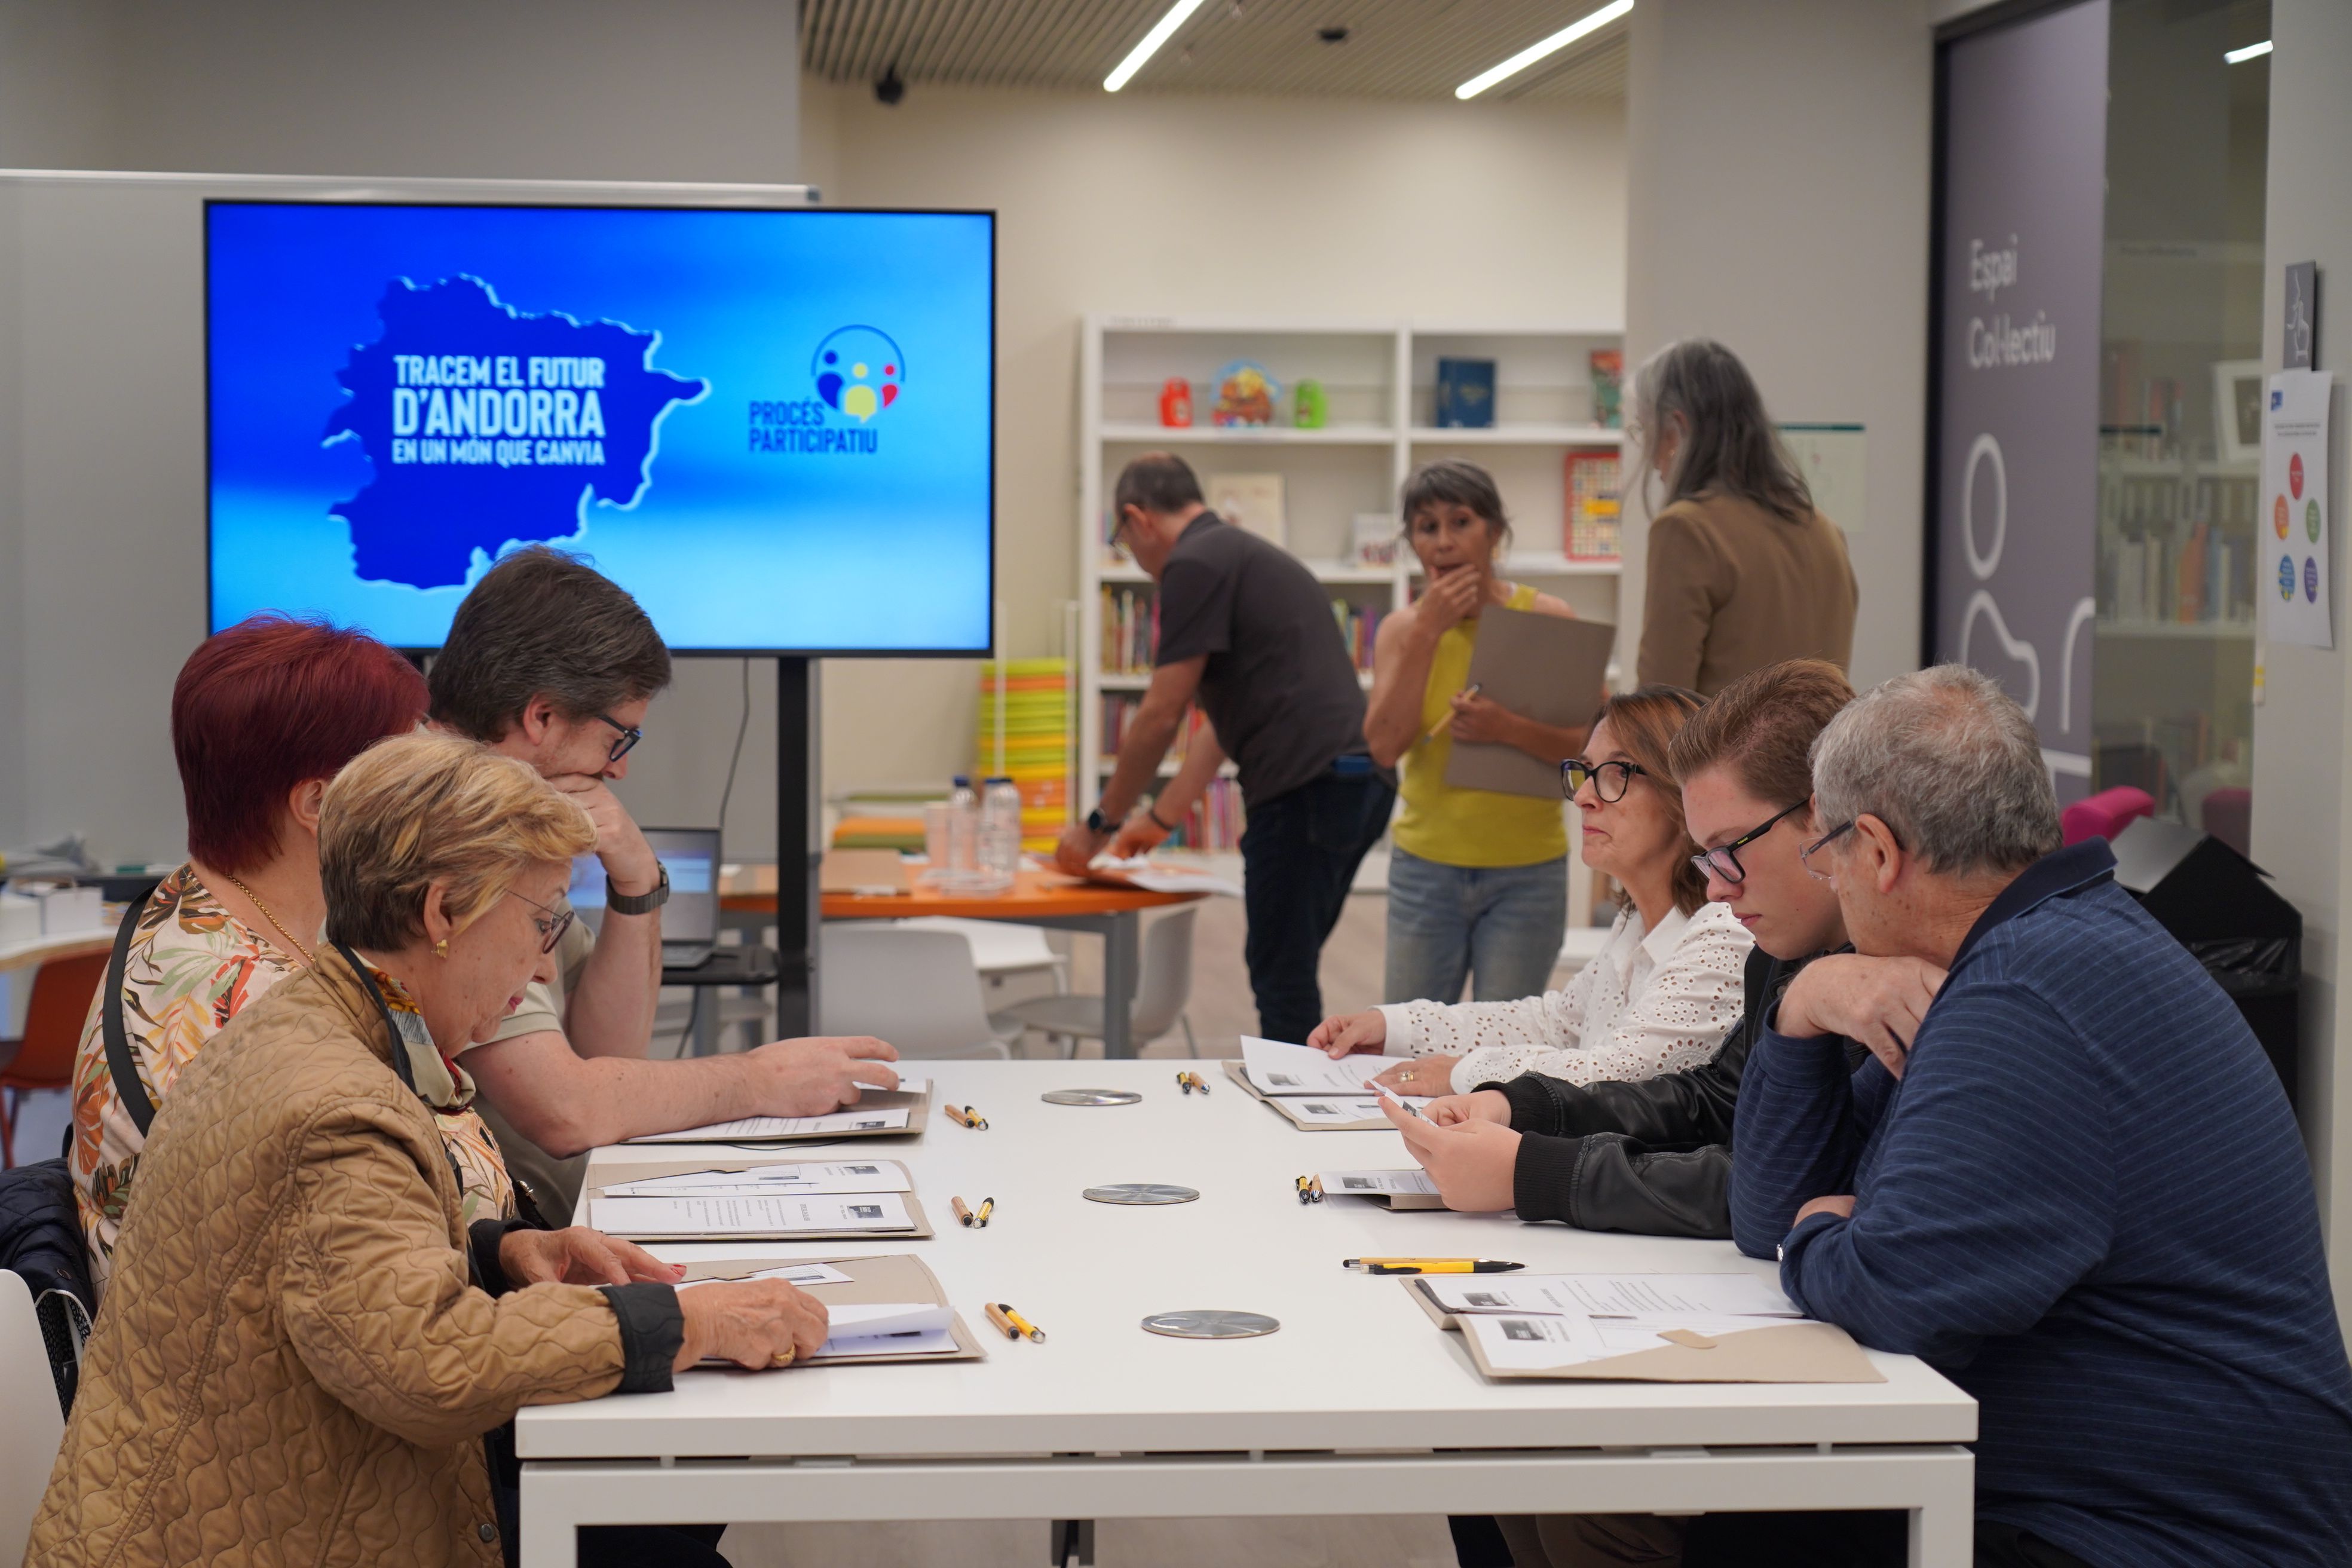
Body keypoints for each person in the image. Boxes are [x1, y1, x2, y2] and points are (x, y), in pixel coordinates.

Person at [30, 732, 829, 1568]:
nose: (546, 967)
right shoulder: (336, 1106)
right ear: (443, 912)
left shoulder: (311, 1020)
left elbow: (326, 1268)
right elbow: (429, 1367)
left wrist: (500, 1252)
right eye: (545, 921)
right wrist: (684, 1320)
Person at [1725, 666, 2352, 1568]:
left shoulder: (2027, 997)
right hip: (2093, 1502)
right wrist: (1803, 1005)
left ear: (1878, 850)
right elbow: (1769, 1209)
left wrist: (1816, 1240)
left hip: (2153, 1537)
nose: (1829, 879)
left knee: (1743, 1530)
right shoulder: (2029, 953)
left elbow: (1895, 1298)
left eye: (1825, 852)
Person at [428, 546, 898, 1221]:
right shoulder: (451, 827)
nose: (616, 771)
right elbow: (568, 1109)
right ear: (542, 718)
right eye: (619, 738)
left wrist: (637, 878)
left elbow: (606, 1053)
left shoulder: (491, 810)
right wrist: (758, 1080)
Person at [68, 615, 510, 1295]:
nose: (437, 798)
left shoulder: (213, 920)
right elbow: (394, 1270)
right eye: (411, 772)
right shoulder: (236, 1005)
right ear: (321, 802)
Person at [1380, 660, 1870, 1241]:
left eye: (1728, 847)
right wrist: (1519, 1108)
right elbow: (1711, 1100)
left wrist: (1525, 1166)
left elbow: (1765, 1193)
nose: (1717, 887)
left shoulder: (1775, 942)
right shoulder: (1780, 948)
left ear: (1824, 816)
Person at [1056, 453, 1392, 1042]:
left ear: (1138, 519)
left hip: (1304, 787)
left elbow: (1162, 713)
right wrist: (1159, 818)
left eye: (1123, 539)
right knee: (1286, 963)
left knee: (1281, 974)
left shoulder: (1193, 562)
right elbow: (1218, 725)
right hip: (1357, 782)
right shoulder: (1239, 552)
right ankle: (1304, 1096)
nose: (1133, 556)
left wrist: (1098, 824)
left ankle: (1298, 1113)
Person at [1310, 687, 1750, 1098]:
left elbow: (1620, 1075)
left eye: (1615, 773)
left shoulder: (1724, 932)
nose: (1583, 798)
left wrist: (1461, 1072)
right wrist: (1395, 1026)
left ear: (1686, 792)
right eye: (1585, 772)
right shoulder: (1637, 922)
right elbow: (1556, 1025)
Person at [1364, 460, 1588, 1009]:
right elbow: (1384, 747)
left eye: (1460, 522)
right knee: (1407, 1044)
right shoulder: (1401, 630)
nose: (1443, 542)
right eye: (1426, 526)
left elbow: (1584, 747)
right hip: (1425, 869)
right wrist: (1428, 631)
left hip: (1528, 872)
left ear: (1494, 533)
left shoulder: (1547, 615)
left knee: (1502, 1051)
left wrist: (1504, 728)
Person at [1631, 339, 1857, 696]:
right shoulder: (1825, 530)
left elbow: (1660, 709)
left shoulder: (1686, 529)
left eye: (1644, 430)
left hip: (1724, 753)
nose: (1646, 451)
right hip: (1823, 751)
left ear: (1676, 429)